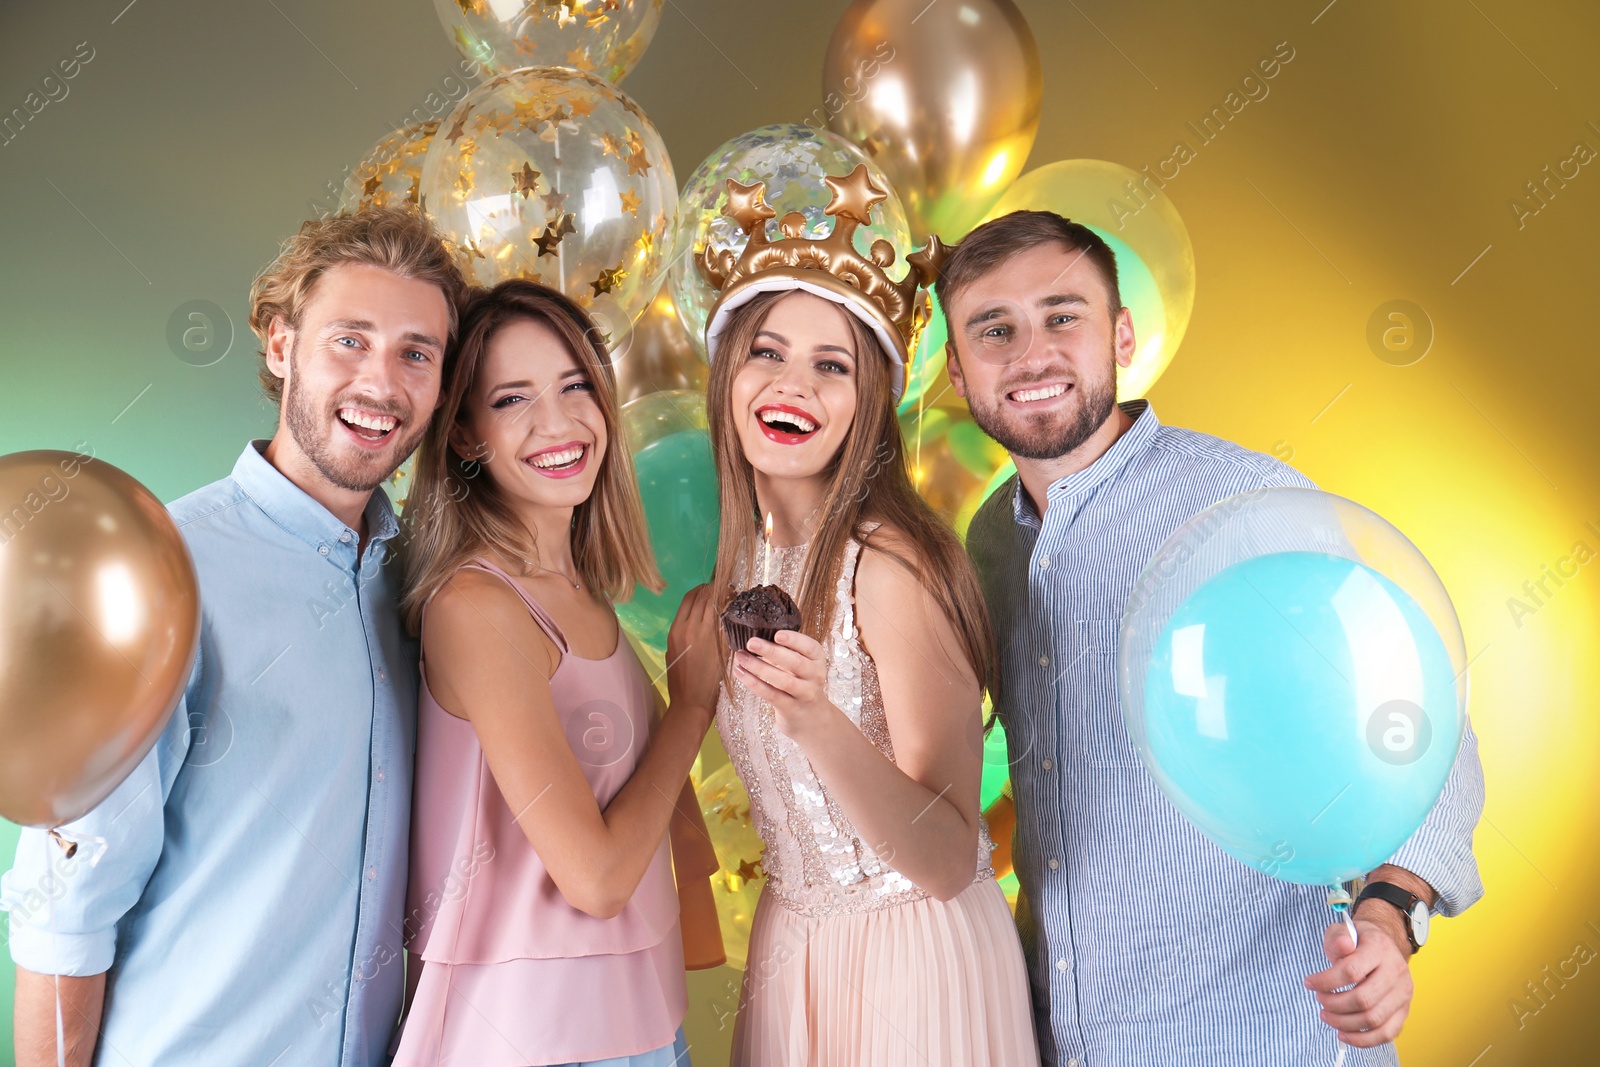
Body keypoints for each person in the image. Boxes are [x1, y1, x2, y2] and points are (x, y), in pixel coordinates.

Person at [948, 210, 1486, 1066]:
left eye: (1063, 315)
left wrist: (1389, 914)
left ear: (1120, 334)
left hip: (1264, 1038)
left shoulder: (1246, 506)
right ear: (957, 366)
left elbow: (1426, 734)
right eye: (994, 329)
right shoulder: (989, 543)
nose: (1032, 355)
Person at [1, 206, 469, 1065]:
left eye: (416, 352)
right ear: (280, 343)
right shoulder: (162, 575)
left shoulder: (433, 591)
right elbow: (65, 913)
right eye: (349, 340)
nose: (383, 385)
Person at [699, 167, 1039, 1065]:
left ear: (869, 403)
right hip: (793, 949)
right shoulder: (741, 567)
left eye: (831, 365)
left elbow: (940, 856)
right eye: (768, 351)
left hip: (912, 965)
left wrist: (816, 718)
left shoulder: (889, 566)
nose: (793, 385)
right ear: (729, 369)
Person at [392, 279, 724, 1067]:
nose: (558, 421)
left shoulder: (579, 590)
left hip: (640, 1021)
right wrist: (692, 705)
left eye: (576, 384)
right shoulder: (476, 606)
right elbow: (597, 877)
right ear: (466, 435)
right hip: (533, 1038)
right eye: (512, 399)